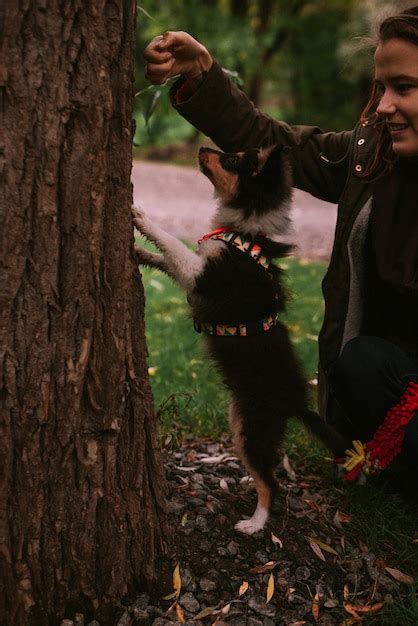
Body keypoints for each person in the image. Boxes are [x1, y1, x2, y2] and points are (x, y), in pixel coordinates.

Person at [142, 7, 418, 487]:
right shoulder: (370, 155)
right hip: (389, 380)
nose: (382, 107)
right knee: (364, 364)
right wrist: (203, 76)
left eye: (405, 88)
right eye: (381, 88)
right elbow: (277, 144)